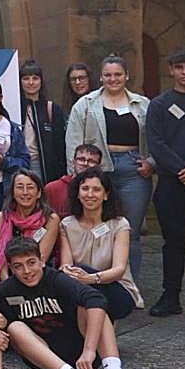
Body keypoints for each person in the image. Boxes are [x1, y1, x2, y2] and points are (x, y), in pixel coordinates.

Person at [65, 55, 154, 280]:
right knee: (97, 229)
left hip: (134, 170)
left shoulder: (143, 104)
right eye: (108, 75)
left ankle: (129, 286)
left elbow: (157, 137)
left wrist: (151, 163)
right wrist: (78, 175)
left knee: (129, 231)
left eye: (117, 74)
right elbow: (73, 141)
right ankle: (97, 279)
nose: (113, 79)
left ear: (126, 76)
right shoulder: (85, 104)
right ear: (101, 77)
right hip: (97, 171)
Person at [0, 237, 123, 369]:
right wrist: (1, 322)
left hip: (83, 355)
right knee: (14, 327)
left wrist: (89, 350)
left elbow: (96, 299)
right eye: (18, 266)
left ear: (42, 260)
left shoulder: (57, 279)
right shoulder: (6, 290)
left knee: (94, 309)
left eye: (31, 263)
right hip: (46, 359)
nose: (27, 271)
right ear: (10, 268)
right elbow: (5, 332)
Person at [146, 46, 185, 317]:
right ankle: (171, 297)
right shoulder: (159, 104)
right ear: (171, 70)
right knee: (173, 242)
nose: (184, 72)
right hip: (172, 184)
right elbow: (156, 143)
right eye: (179, 67)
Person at [59, 168, 143, 321]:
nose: (90, 194)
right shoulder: (66, 224)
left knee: (81, 278)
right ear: (77, 193)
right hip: (81, 288)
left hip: (116, 289)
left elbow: (119, 269)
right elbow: (66, 265)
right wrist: (75, 275)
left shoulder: (119, 224)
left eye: (96, 189)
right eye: (85, 189)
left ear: (106, 195)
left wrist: (90, 278)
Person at [0, 169, 60, 283]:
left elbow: (41, 258)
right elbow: (0, 257)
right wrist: (7, 283)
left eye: (30, 187)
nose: (25, 192)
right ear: (12, 192)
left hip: (39, 276)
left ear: (38, 193)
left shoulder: (50, 219)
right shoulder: (2, 218)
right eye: (19, 187)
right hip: (7, 278)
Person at [18, 60, 67, 184]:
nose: (31, 82)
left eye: (35, 78)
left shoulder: (51, 108)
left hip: (42, 165)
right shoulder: (14, 107)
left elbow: (60, 146)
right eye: (26, 78)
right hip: (18, 164)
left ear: (41, 81)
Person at [45, 143, 103, 219]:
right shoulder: (53, 188)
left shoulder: (103, 188)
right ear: (73, 162)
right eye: (81, 159)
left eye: (91, 161)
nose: (85, 164)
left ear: (99, 166)